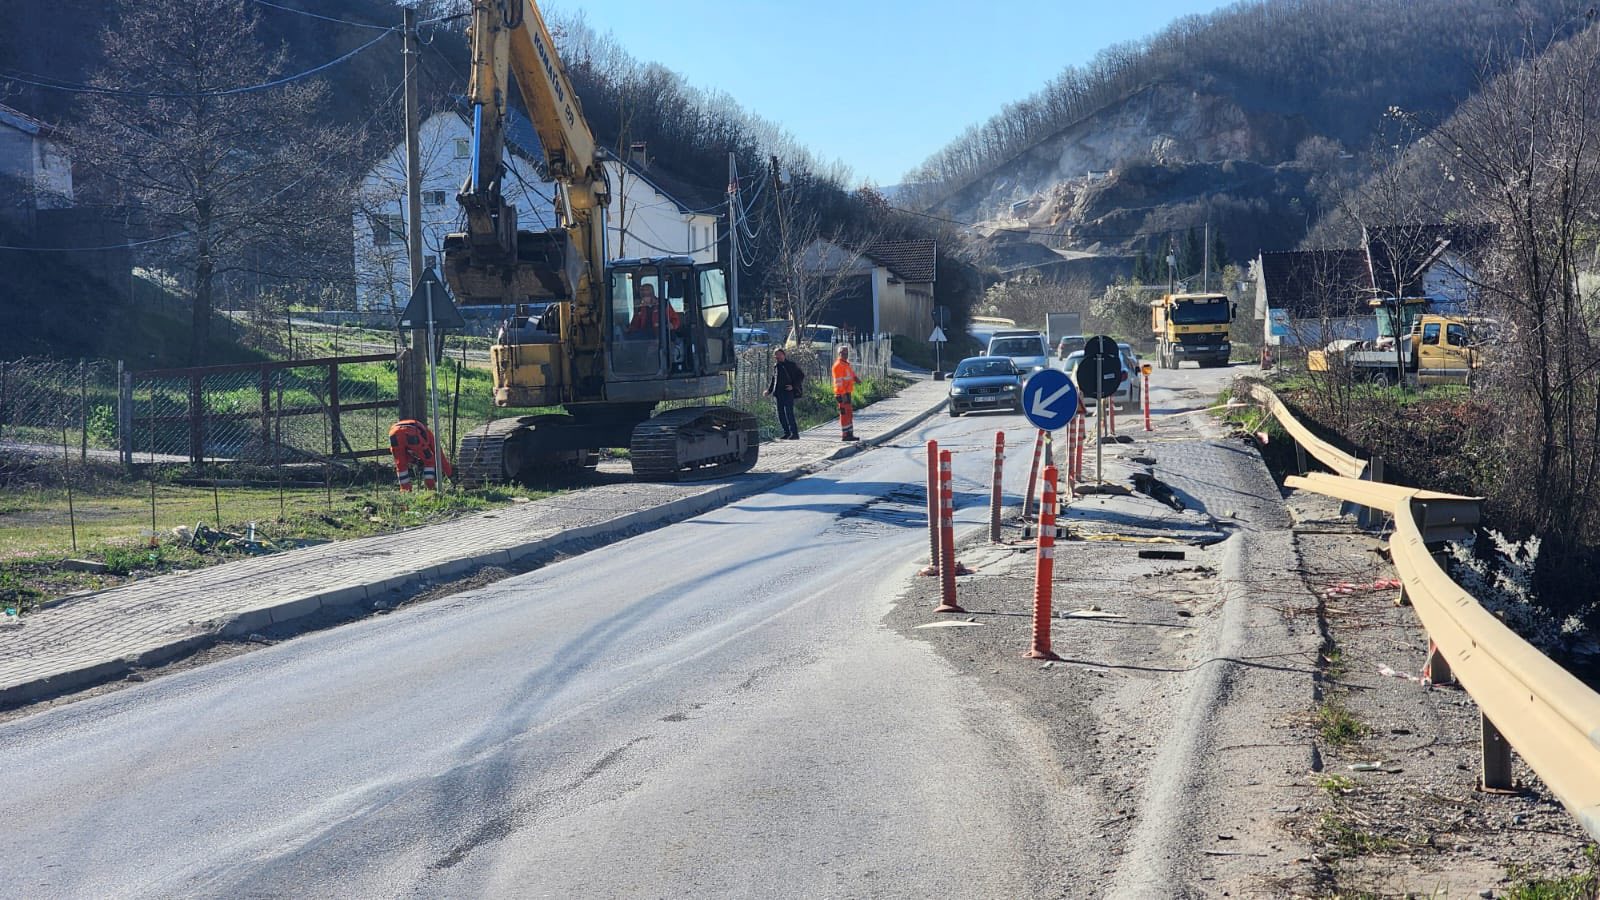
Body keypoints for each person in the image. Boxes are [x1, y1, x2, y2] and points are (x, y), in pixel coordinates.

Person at [387, 419, 452, 491]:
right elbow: (440, 455)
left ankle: (405, 490)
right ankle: (430, 487)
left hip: (393, 432)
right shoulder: (429, 436)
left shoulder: (424, 433)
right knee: (430, 461)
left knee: (400, 464)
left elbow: (400, 453)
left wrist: (413, 460)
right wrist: (450, 474)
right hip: (412, 432)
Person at [765, 348, 805, 440]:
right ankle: (786, 433)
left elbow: (801, 375)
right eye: (775, 355)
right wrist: (769, 390)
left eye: (778, 354)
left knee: (789, 413)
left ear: (783, 355)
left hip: (788, 393)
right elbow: (773, 380)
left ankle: (794, 433)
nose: (777, 356)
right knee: (781, 414)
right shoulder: (776, 366)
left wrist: (793, 386)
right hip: (778, 393)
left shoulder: (791, 365)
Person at [832, 344, 860, 442]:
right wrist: (843, 394)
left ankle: (850, 434)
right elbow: (839, 382)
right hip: (842, 394)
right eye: (843, 353)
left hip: (847, 392)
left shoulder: (846, 364)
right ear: (839, 353)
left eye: (846, 353)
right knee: (844, 414)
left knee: (849, 414)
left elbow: (850, 374)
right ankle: (845, 435)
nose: (845, 355)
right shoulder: (838, 366)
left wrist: (855, 378)